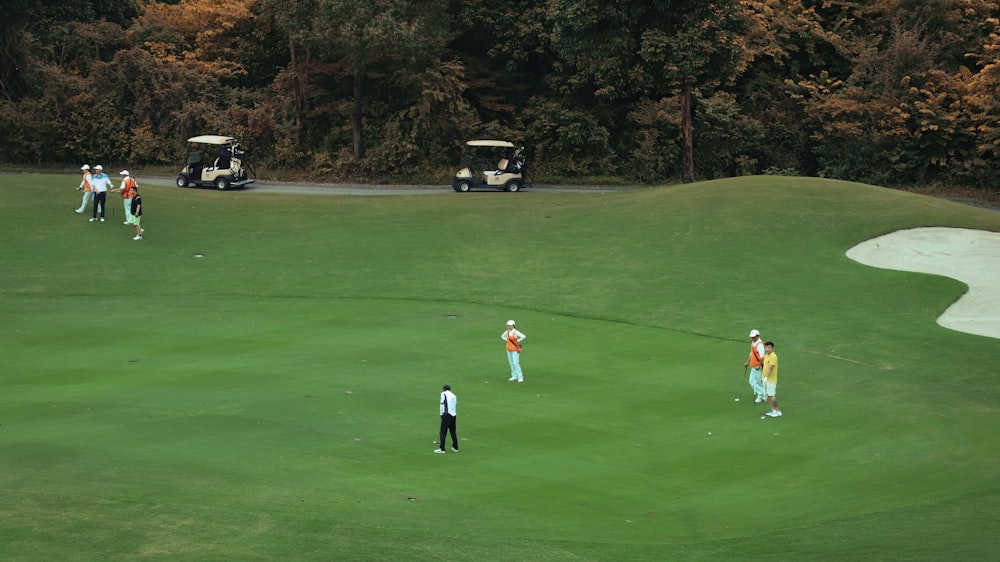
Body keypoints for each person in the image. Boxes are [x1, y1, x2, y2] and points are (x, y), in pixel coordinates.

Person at [744, 329, 767, 403]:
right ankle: (762, 396)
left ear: (757, 336)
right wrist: (747, 362)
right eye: (751, 337)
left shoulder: (759, 344)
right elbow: (751, 353)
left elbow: (762, 356)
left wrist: (759, 365)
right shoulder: (753, 343)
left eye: (754, 337)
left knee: (752, 382)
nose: (752, 338)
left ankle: (763, 394)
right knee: (758, 382)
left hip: (758, 366)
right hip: (753, 365)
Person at [435, 384, 458, 453]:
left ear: (444, 389)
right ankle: (455, 447)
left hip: (446, 414)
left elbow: (442, 404)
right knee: (453, 431)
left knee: (443, 432)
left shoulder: (443, 394)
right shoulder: (454, 396)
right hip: (453, 415)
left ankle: (442, 449)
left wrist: (441, 414)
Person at [762, 341, 782, 417]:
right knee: (768, 396)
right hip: (765, 379)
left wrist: (766, 377)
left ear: (772, 348)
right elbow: (765, 367)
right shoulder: (766, 355)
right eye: (766, 347)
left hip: (771, 380)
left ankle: (778, 411)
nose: (767, 349)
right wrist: (763, 378)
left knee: (772, 396)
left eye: (769, 347)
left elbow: (770, 368)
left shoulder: (773, 356)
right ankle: (773, 410)